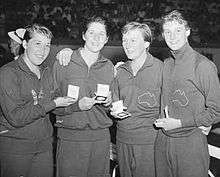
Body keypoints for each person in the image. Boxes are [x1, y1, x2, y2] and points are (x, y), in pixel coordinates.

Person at [0, 24, 75, 177]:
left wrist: (79, 103)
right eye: (38, 43)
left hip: (44, 147)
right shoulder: (8, 72)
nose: (43, 50)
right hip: (16, 148)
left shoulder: (46, 72)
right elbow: (16, 117)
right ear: (25, 44)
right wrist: (53, 103)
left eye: (47, 45)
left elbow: (56, 105)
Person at [154, 10, 220, 177]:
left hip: (190, 143)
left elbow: (217, 110)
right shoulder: (167, 63)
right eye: (167, 32)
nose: (172, 36)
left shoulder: (203, 65)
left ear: (188, 31)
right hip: (163, 141)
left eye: (178, 30)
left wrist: (181, 123)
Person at [53, 16, 114, 177]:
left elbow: (112, 109)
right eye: (91, 32)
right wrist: (77, 106)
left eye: (101, 34)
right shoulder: (64, 61)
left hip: (100, 139)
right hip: (70, 137)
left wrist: (109, 103)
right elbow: (51, 105)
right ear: (83, 35)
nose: (96, 38)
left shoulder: (109, 67)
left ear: (107, 39)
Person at [111, 22, 163, 177]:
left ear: (146, 43)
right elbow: (114, 101)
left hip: (149, 142)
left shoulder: (161, 69)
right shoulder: (119, 70)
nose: (127, 45)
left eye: (133, 40)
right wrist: (113, 110)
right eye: (124, 40)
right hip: (122, 139)